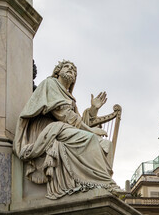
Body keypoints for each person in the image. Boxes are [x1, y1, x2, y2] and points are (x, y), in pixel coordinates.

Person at [13, 60, 120, 199]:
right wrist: (91, 131)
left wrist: (93, 110)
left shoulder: (69, 97)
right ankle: (103, 182)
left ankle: (98, 183)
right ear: (58, 71)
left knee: (106, 144)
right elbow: (65, 115)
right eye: (67, 67)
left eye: (74, 70)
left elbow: (78, 122)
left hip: (62, 128)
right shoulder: (50, 84)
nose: (71, 70)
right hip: (46, 130)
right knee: (91, 138)